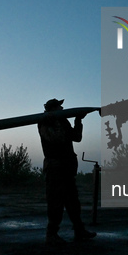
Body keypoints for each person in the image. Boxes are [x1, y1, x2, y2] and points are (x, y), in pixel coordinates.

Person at [38, 98, 96, 244]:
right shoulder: (44, 121)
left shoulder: (63, 121)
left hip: (67, 167)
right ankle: (51, 234)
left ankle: (79, 230)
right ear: (53, 109)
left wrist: (78, 120)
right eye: (60, 107)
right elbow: (56, 139)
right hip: (55, 168)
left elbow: (77, 137)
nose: (63, 109)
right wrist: (56, 121)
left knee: (73, 202)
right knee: (55, 202)